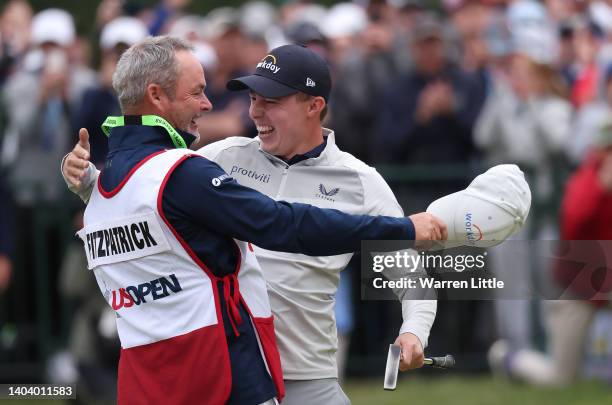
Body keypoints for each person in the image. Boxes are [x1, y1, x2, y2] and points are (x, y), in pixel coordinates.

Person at [62, 36, 446, 405]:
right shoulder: (222, 156)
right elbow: (146, 193)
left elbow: (411, 278)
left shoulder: (361, 181)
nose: (255, 112)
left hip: (305, 376)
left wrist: (413, 332)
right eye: (252, 98)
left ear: (314, 105)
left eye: (272, 101)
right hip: (231, 371)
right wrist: (87, 181)